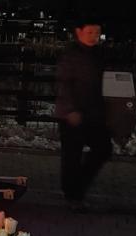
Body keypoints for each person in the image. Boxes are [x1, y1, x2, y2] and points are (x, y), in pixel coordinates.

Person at [54, 16, 112, 211]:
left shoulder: (98, 54)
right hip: (72, 114)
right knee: (72, 155)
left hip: (93, 113)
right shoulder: (71, 54)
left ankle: (76, 188)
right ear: (79, 32)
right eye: (90, 32)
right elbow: (63, 83)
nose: (94, 36)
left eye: (97, 33)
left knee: (103, 149)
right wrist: (70, 109)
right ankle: (73, 195)